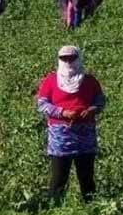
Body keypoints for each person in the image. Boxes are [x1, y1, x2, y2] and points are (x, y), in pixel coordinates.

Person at [36, 46, 105, 203]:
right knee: (59, 177)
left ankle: (91, 207)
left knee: (86, 176)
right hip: (61, 135)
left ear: (78, 58)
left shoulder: (89, 81)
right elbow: (42, 104)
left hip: (85, 134)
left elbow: (100, 100)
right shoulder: (51, 80)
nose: (68, 61)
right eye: (64, 58)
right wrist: (62, 113)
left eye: (71, 57)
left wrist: (92, 109)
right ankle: (54, 208)